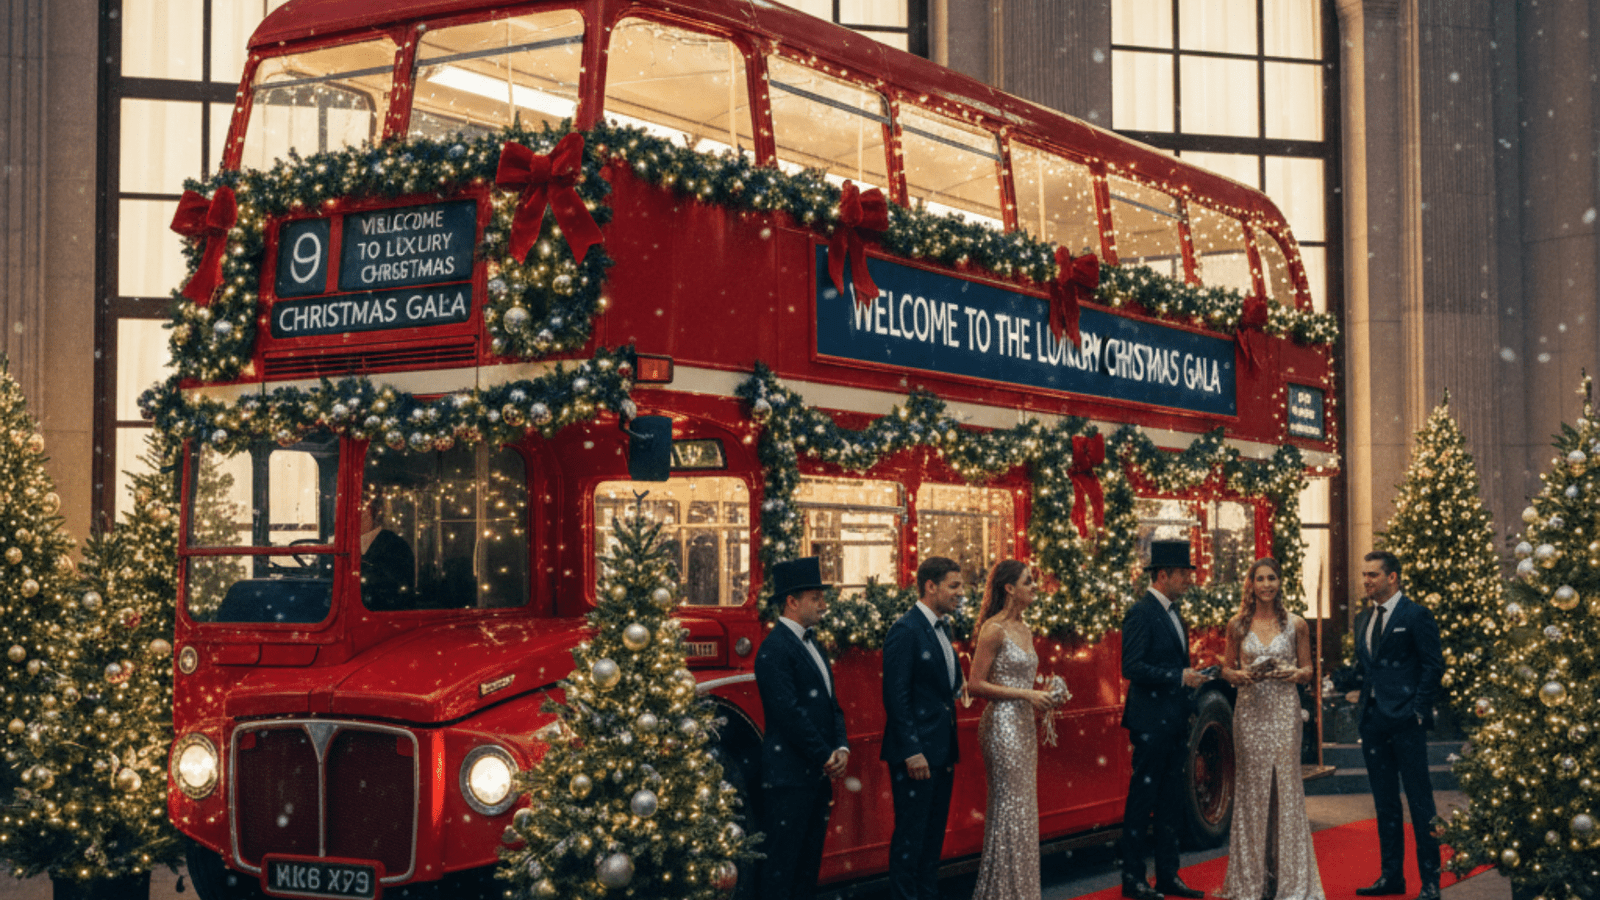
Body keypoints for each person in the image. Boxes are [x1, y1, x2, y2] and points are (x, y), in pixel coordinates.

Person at [1216, 558, 1325, 900]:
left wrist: (1294, 673)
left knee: (1286, 792)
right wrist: (1239, 676)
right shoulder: (1237, 625)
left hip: (1283, 712)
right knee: (1252, 793)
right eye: (1260, 579)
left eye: (1272, 578)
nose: (1266, 585)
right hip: (1250, 714)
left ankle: (1289, 882)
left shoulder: (1296, 624)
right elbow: (1226, 670)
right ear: (1251, 584)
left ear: (1280, 582)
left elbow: (1308, 670)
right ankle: (1252, 881)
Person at [754, 556, 850, 900]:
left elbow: (831, 703)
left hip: (813, 776)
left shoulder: (814, 645)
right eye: (816, 598)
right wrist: (825, 754)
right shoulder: (774, 649)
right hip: (789, 779)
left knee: (807, 868)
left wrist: (841, 746)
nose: (823, 605)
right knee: (782, 868)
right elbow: (788, 714)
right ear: (792, 602)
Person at [966, 560, 1062, 900]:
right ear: (1009, 588)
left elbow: (1020, 680)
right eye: (1028, 581)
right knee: (1009, 808)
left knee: (1024, 809)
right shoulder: (993, 629)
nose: (1035, 587)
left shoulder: (1025, 628)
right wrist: (1027, 695)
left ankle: (1020, 891)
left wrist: (1045, 695)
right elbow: (975, 684)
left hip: (1023, 725)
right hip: (1001, 727)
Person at [1351, 551, 1444, 900]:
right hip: (1373, 721)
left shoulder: (1416, 615)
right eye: (1364, 574)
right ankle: (1392, 877)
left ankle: (1431, 881)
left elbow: (1433, 666)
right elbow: (1367, 668)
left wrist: (1417, 709)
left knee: (1421, 802)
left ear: (1393, 577)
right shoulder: (1363, 619)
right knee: (1385, 803)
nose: (1366, 581)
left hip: (1406, 721)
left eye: (1373, 575)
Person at [1119, 539, 1206, 900]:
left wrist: (1187, 681)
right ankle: (1133, 879)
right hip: (1150, 724)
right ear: (1164, 575)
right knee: (1143, 801)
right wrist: (1178, 677)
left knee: (1171, 801)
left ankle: (1168, 876)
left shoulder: (1174, 613)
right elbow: (1131, 666)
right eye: (1184, 573)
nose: (1189, 579)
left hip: (1172, 722)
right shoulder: (1141, 612)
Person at [880, 556, 965, 900]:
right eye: (953, 586)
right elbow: (895, 696)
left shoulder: (943, 628)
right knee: (910, 839)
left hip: (941, 750)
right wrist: (912, 750)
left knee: (932, 840)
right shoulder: (905, 630)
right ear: (930, 586)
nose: (960, 593)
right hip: (917, 754)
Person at [360, 495, 415, 610]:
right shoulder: (351, 543)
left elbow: (395, 585)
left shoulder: (394, 545)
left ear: (374, 515)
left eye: (363, 513)